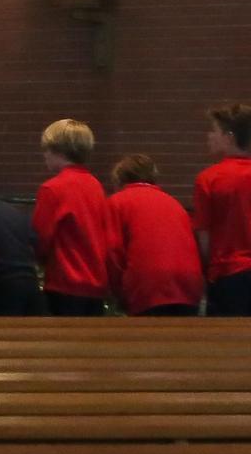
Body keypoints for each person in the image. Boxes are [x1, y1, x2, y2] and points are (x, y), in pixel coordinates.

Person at [32, 118, 110, 316]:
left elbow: (41, 239)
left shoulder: (52, 188)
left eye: (46, 150)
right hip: (95, 285)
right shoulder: (95, 185)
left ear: (58, 150)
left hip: (65, 284)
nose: (45, 156)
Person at [107, 154, 203, 317]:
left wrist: (118, 293)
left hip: (148, 287)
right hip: (188, 286)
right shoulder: (174, 203)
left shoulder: (117, 202)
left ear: (118, 180)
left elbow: (112, 251)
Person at [195, 103, 251, 317]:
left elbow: (204, 237)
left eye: (214, 131)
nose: (209, 136)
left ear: (229, 136)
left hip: (228, 273)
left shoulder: (209, 179)